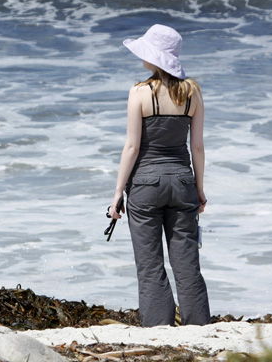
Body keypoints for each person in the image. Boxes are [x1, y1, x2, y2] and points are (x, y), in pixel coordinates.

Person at [109, 24, 210, 326]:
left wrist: (117, 195)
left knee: (150, 266)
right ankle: (198, 327)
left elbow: (132, 146)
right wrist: (200, 190)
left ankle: (158, 328)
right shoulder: (192, 92)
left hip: (144, 187)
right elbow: (198, 147)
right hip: (182, 183)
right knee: (187, 264)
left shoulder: (140, 92)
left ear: (154, 57)